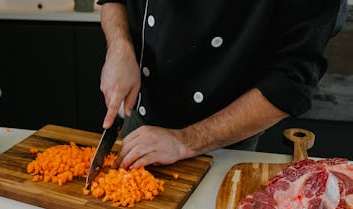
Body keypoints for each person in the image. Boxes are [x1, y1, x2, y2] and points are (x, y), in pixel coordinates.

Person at [96, 0, 347, 169]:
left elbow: (290, 79)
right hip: (139, 114)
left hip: (224, 138)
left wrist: (186, 141)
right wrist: (119, 46)